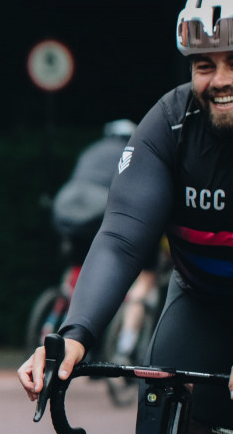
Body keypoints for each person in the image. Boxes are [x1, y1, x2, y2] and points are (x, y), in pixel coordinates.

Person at [19, 0, 233, 434]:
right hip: (205, 305)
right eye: (203, 65)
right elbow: (121, 236)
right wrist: (75, 335)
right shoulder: (170, 122)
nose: (219, 81)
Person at [50, 118, 160, 362]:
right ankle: (125, 345)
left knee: (79, 264)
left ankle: (61, 310)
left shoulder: (92, 150)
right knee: (140, 273)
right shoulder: (133, 151)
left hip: (66, 207)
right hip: (100, 208)